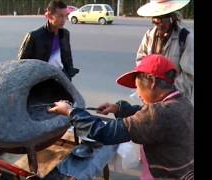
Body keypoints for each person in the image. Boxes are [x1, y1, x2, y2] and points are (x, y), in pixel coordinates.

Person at [48, 54, 194, 179]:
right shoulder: (182, 102)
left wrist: (71, 112)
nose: (137, 93)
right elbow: (145, 113)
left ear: (152, 82)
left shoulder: (160, 114)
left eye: (137, 87)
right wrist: (118, 109)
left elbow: (105, 133)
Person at [136, 0, 193, 105]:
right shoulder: (149, 36)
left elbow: (189, 76)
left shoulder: (186, 39)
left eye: (161, 19)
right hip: (151, 99)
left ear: (172, 18)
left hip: (176, 103)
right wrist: (146, 86)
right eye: (155, 19)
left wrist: (165, 93)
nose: (157, 22)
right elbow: (141, 62)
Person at [17, 0, 79, 81]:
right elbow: (22, 65)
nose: (64, 20)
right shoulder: (34, 36)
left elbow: (68, 58)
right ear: (49, 16)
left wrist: (69, 74)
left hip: (61, 78)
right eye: (60, 16)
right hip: (40, 80)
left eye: (65, 16)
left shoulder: (65, 34)